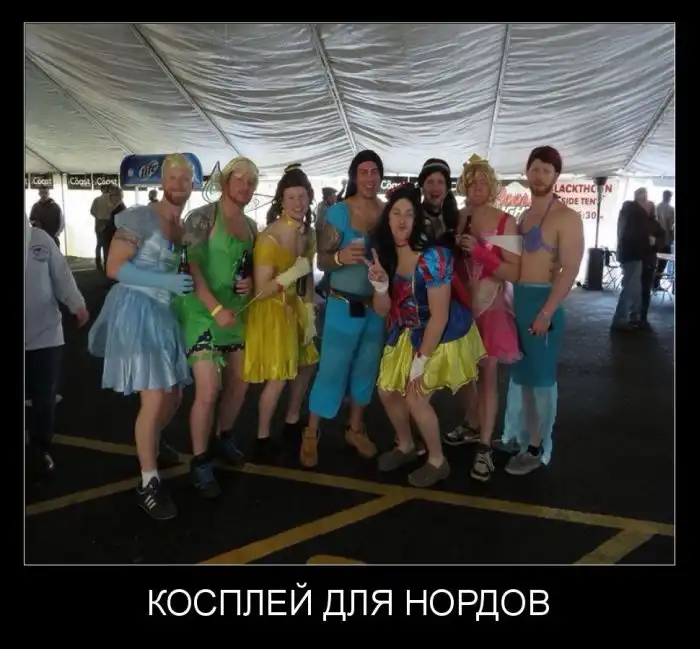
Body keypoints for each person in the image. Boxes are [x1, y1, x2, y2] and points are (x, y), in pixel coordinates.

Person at [87, 154, 195, 520]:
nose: (179, 183)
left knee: (175, 394)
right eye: (173, 177)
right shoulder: (140, 216)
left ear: (192, 184)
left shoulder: (180, 224)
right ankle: (148, 483)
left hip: (164, 313)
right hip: (136, 310)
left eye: (185, 178)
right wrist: (164, 281)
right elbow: (113, 267)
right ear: (162, 182)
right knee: (155, 396)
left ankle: (153, 440)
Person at [368, 183, 486, 487]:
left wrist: (420, 362)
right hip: (407, 328)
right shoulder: (386, 256)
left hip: (441, 332)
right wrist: (380, 287)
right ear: (388, 218)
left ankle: (437, 460)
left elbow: (440, 315)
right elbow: (382, 310)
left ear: (417, 219)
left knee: (415, 397)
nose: (402, 219)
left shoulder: (433, 257)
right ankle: (406, 445)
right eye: (396, 213)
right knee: (386, 391)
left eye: (409, 213)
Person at [174, 156, 258, 497]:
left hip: (234, 314)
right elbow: (190, 267)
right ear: (225, 182)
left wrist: (250, 283)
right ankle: (200, 460)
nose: (245, 187)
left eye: (251, 183)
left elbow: (250, 267)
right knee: (209, 389)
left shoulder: (251, 226)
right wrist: (215, 307)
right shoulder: (201, 217)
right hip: (202, 312)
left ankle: (224, 436)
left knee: (240, 383)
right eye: (240, 180)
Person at [300, 150, 386, 468]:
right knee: (331, 370)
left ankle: (355, 429)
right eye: (363, 172)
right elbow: (322, 261)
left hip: (375, 308)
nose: (369, 178)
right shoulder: (338, 212)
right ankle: (311, 432)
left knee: (366, 368)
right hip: (342, 304)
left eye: (374, 171)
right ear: (354, 176)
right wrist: (340, 257)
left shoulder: (387, 213)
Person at [501, 146, 584, 475]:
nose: (539, 176)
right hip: (519, 302)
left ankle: (536, 447)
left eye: (546, 170)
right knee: (521, 377)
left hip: (543, 306)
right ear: (527, 172)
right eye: (535, 169)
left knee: (540, 381)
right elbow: (512, 263)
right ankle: (522, 436)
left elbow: (571, 269)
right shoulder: (523, 217)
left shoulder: (567, 217)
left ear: (556, 176)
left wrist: (547, 312)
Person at [446, 154, 522, 481]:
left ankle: (485, 446)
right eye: (471, 181)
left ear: (492, 186)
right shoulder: (456, 217)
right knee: (463, 372)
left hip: (492, 307)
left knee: (488, 375)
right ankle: (472, 422)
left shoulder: (506, 222)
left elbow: (514, 271)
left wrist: (479, 251)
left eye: (482, 181)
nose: (477, 186)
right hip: (460, 304)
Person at [243, 164, 319, 458]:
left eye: (302, 196)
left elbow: (307, 277)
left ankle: (292, 419)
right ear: (281, 201)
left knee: (307, 363)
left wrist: (309, 312)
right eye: (291, 197)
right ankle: (262, 436)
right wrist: (290, 276)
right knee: (280, 373)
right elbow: (261, 290)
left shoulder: (309, 233)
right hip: (273, 311)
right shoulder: (270, 238)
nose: (298, 203)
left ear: (309, 198)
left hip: (297, 306)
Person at [25, 217, 89, 478]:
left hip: (46, 333)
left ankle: (40, 448)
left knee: (44, 397)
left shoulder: (40, 239)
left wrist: (77, 303)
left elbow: (62, 276)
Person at [611, 188, 650, 331]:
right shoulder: (638, 214)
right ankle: (621, 318)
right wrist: (647, 242)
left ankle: (634, 314)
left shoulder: (626, 211)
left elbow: (625, 234)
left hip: (625, 253)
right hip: (634, 254)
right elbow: (635, 236)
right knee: (630, 287)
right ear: (643, 199)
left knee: (634, 286)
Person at [416, 158, 460, 239]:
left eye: (440, 182)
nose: (435, 188)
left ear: (447, 189)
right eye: (430, 182)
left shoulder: (456, 219)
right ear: (422, 187)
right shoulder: (413, 218)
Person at [639, 200, 666, 328]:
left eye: (648, 207)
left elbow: (663, 241)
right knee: (634, 289)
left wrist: (655, 241)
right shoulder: (636, 221)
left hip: (649, 261)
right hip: (636, 259)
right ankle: (633, 315)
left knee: (645, 290)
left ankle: (643, 317)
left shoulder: (656, 225)